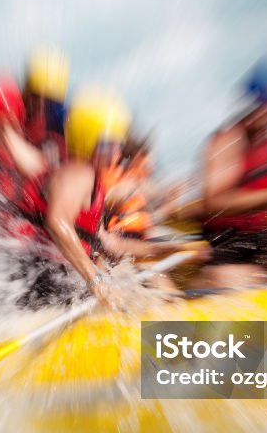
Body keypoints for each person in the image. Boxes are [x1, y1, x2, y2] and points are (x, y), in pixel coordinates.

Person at [23, 88, 202, 307]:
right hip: (39, 288)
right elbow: (57, 222)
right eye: (109, 147)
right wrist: (94, 279)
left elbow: (112, 245)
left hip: (55, 284)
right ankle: (179, 329)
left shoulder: (89, 181)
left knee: (152, 280)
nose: (116, 155)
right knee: (144, 284)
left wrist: (171, 249)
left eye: (118, 146)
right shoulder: (77, 173)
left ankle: (178, 322)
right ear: (88, 142)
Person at [194, 58, 267, 288]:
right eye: (266, 103)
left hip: (265, 243)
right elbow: (214, 202)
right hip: (227, 242)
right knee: (241, 286)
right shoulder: (228, 141)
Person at [23, 47, 71, 168]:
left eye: (48, 101)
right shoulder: (13, 106)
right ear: (26, 91)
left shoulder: (63, 118)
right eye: (35, 96)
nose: (40, 104)